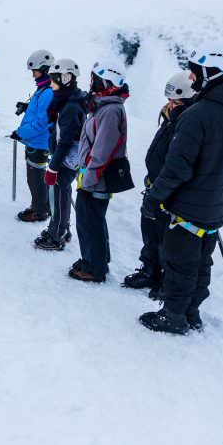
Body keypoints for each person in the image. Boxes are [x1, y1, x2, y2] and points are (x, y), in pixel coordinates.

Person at [139, 46, 223, 334]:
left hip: (189, 203)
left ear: (210, 75)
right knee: (202, 259)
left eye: (195, 72)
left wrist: (154, 199)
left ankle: (173, 316)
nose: (191, 78)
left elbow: (177, 168)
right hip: (220, 202)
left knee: (180, 261)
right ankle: (191, 311)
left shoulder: (198, 114)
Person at [120, 71, 195, 292]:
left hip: (169, 192)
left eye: (176, 102)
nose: (171, 105)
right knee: (150, 232)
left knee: (165, 238)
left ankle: (164, 280)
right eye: (169, 101)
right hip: (154, 186)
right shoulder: (170, 118)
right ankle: (149, 269)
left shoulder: (187, 123)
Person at [67, 61, 130, 283]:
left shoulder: (111, 110)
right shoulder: (102, 106)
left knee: (89, 220)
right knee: (91, 219)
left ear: (106, 81)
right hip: (92, 174)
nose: (91, 82)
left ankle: (94, 268)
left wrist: (90, 178)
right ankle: (95, 260)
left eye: (95, 78)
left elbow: (104, 149)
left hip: (98, 177)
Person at [35, 59, 86, 251]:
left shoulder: (71, 107)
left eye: (54, 80)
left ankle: (57, 234)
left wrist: (53, 167)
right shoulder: (67, 100)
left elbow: (65, 140)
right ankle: (61, 228)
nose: (51, 83)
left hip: (66, 159)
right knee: (62, 192)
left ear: (66, 78)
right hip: (66, 157)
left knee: (60, 194)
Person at [11, 49, 55, 222]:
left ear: (44, 69)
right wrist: (26, 106)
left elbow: (42, 122)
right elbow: (39, 113)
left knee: (35, 179)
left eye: (35, 71)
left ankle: (39, 210)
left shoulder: (48, 92)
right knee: (38, 177)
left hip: (38, 142)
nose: (33, 75)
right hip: (36, 141)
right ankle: (43, 206)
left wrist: (20, 133)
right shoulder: (44, 89)